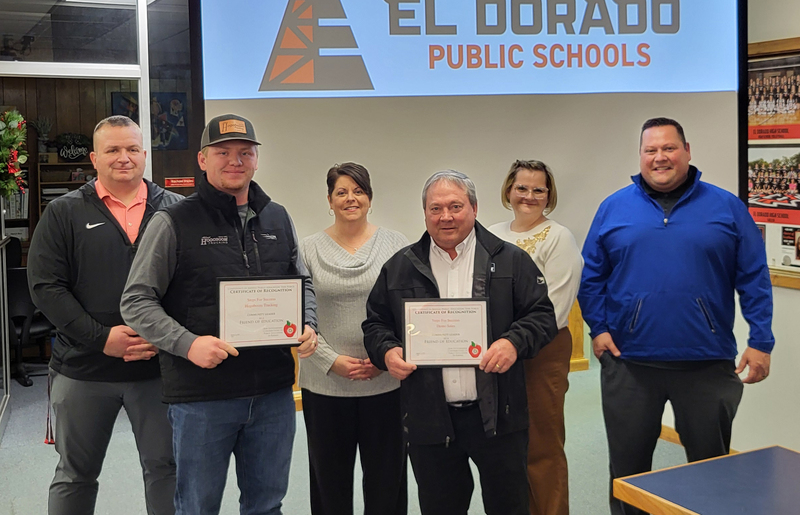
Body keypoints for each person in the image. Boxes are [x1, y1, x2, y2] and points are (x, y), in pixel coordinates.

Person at [121, 113, 318, 515]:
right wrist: (188, 344)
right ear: (202, 159)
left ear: (256, 159)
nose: (235, 160)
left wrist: (308, 321)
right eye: (223, 152)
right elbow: (136, 300)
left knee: (267, 504)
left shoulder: (278, 217)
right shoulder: (172, 221)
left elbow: (303, 282)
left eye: (245, 152)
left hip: (272, 394)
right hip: (202, 397)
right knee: (197, 506)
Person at [578, 117, 774, 515]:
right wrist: (597, 329)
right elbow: (592, 276)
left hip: (706, 362)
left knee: (710, 471)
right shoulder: (614, 207)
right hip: (628, 363)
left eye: (668, 148)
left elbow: (754, 274)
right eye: (651, 150)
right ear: (641, 155)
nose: (660, 157)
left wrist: (761, 340)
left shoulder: (726, 207)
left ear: (687, 151)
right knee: (629, 475)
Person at [362, 170, 557, 515]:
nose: (446, 216)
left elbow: (541, 317)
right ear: (425, 214)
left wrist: (513, 342)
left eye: (455, 206)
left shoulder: (510, 260)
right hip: (430, 419)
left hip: (499, 417)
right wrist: (386, 352)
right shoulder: (400, 267)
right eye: (436, 208)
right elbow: (376, 323)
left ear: (475, 208)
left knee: (509, 505)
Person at [28, 115, 181, 515]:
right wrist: (102, 338)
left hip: (159, 370)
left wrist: (163, 335)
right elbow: (47, 287)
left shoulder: (177, 210)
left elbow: (194, 285)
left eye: (132, 149)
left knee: (166, 468)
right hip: (83, 370)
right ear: (94, 158)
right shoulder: (63, 212)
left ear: (145, 155)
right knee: (75, 473)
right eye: (113, 150)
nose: (123, 158)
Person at [299, 162, 409, 515]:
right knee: (329, 482)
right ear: (329, 200)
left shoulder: (397, 245)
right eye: (341, 192)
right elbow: (300, 317)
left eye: (358, 191)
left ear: (370, 198)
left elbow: (408, 311)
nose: (351, 198)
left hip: (386, 382)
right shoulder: (307, 249)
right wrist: (330, 361)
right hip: (325, 385)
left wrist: (385, 358)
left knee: (387, 480)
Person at [488, 160, 582, 515]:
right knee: (506, 445)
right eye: (522, 188)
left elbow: (555, 307)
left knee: (542, 445)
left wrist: (513, 340)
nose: (529, 196)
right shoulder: (491, 233)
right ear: (509, 191)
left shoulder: (558, 238)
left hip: (540, 351)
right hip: (495, 352)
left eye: (538, 189)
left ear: (549, 195)